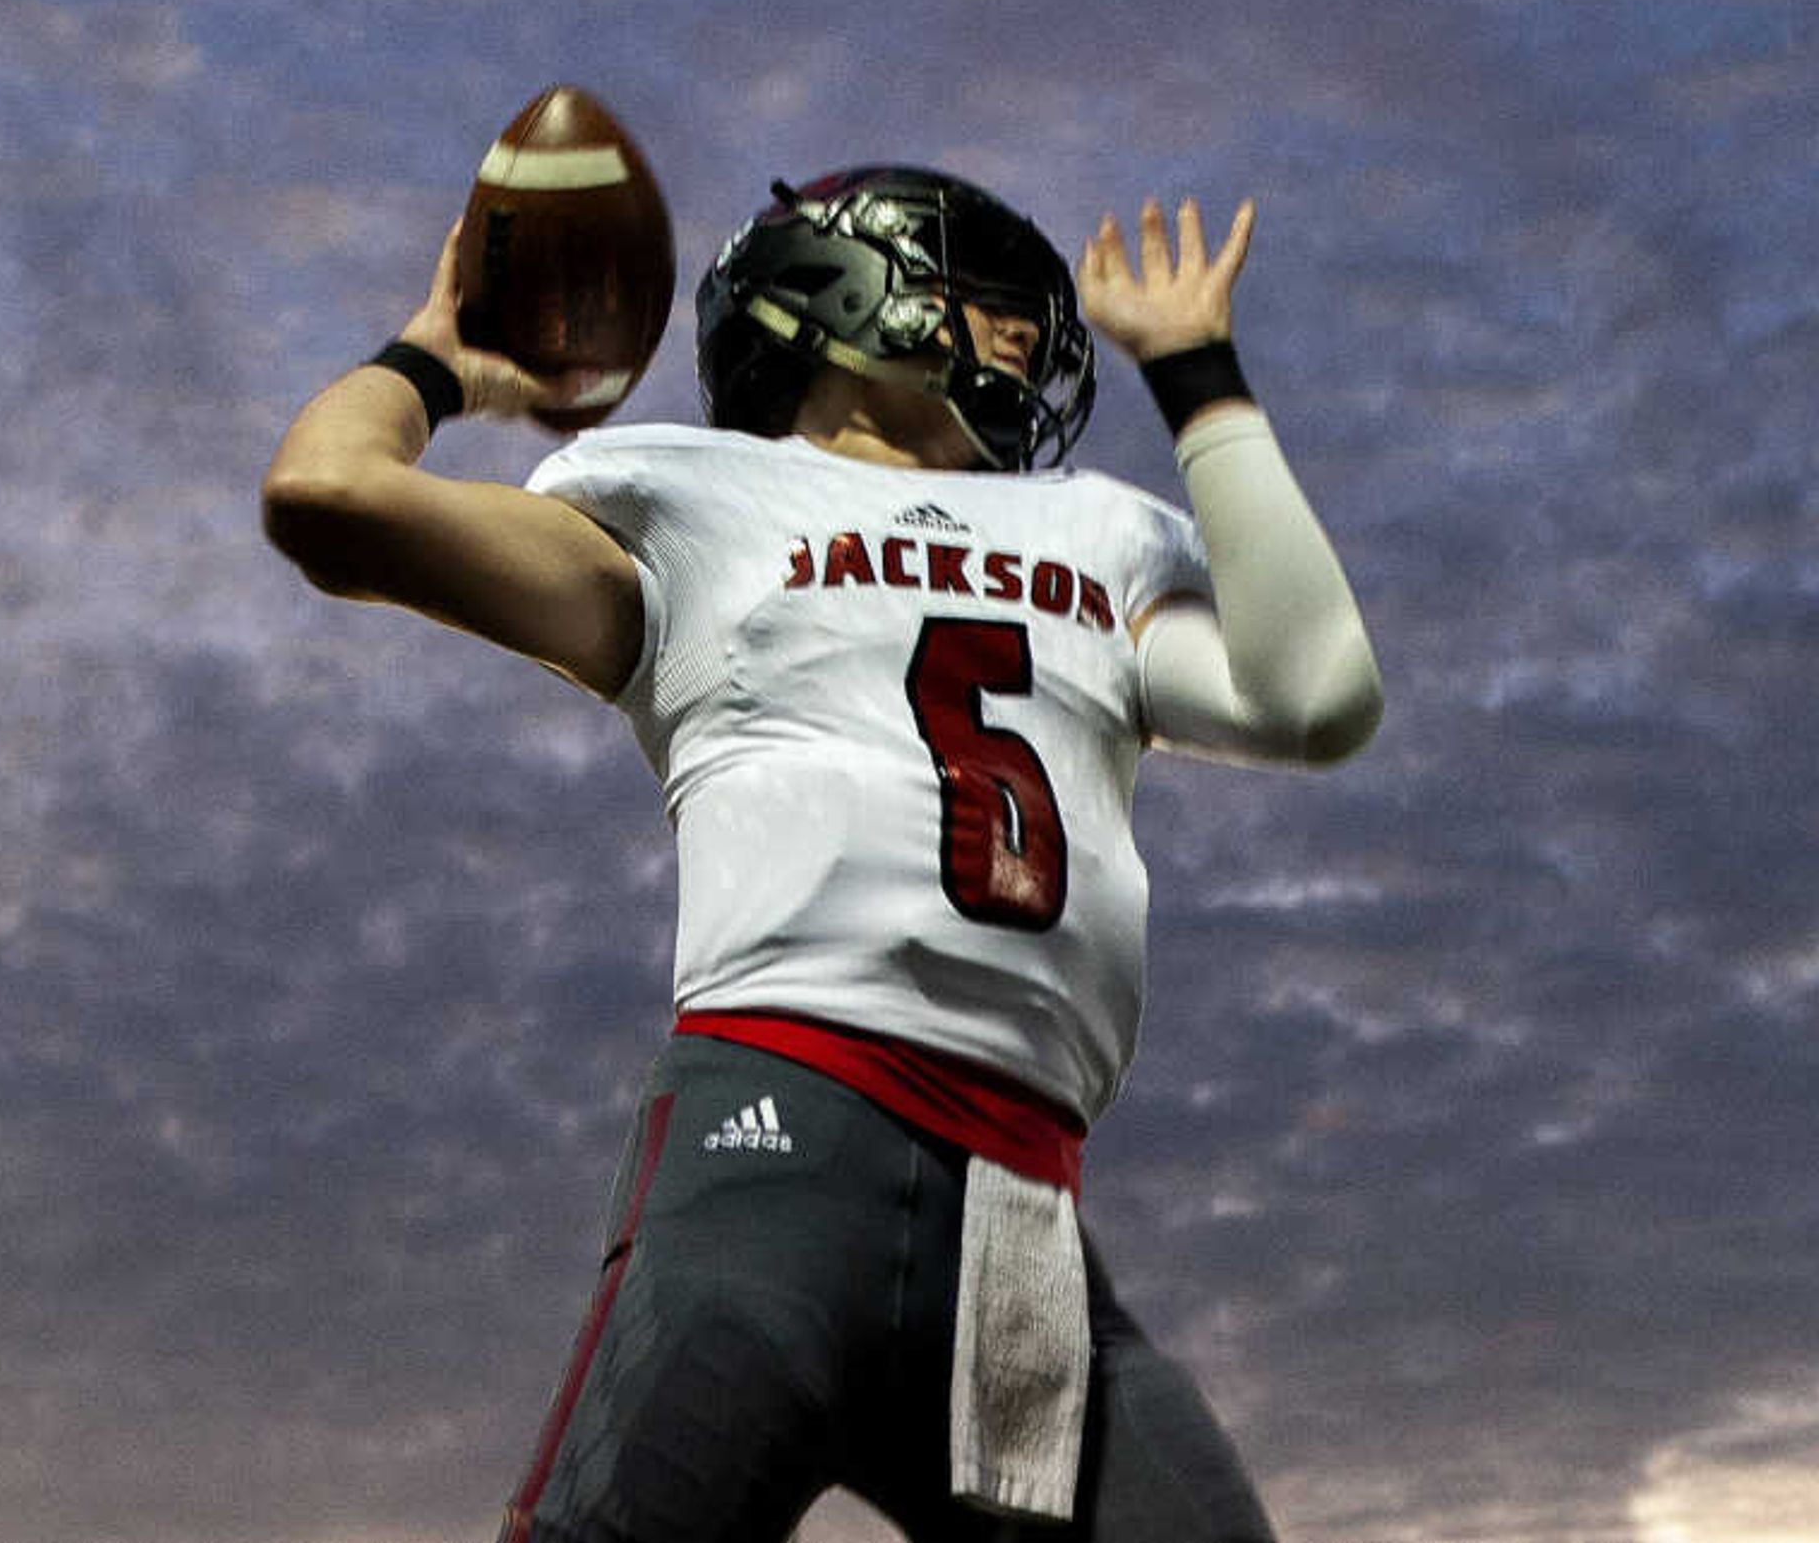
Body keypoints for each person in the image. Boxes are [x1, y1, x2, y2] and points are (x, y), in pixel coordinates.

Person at [261, 165, 1383, 1542]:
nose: (1029, 326)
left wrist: (1202, 380)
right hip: (780, 1153)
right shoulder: (696, 496)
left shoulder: (1096, 531)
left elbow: (1316, 692)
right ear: (847, 286)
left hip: (1020, 1236)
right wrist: (435, 361)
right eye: (979, 283)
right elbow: (327, 493)